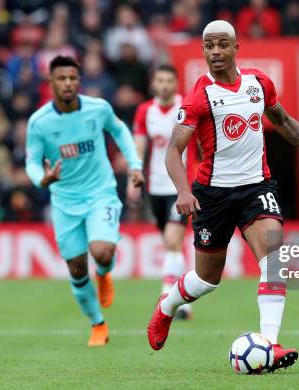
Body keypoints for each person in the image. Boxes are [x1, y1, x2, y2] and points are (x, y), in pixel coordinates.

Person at [146, 20, 299, 372]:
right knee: (207, 280)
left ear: (236, 47)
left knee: (273, 259)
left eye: (223, 44)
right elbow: (173, 151)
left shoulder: (258, 83)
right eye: (209, 46)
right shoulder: (198, 97)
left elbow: (283, 121)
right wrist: (183, 190)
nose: (216, 52)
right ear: (203, 51)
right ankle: (166, 307)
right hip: (213, 194)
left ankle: (269, 344)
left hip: (257, 187)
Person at [25, 56, 144, 347]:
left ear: (79, 81)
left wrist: (135, 164)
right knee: (77, 271)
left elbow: (120, 131)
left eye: (72, 78)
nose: (68, 83)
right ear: (51, 82)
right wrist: (42, 178)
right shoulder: (39, 123)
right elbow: (31, 161)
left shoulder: (98, 108)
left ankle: (104, 274)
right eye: (61, 78)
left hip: (100, 193)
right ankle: (98, 325)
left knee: (102, 252)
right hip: (64, 202)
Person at [129, 64, 193, 319]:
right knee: (170, 245)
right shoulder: (146, 110)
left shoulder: (186, 106)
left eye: (169, 80)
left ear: (175, 83)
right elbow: (140, 146)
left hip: (181, 186)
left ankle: (169, 296)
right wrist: (134, 176)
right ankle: (184, 297)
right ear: (153, 84)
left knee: (173, 240)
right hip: (155, 187)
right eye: (160, 80)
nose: (164, 85)